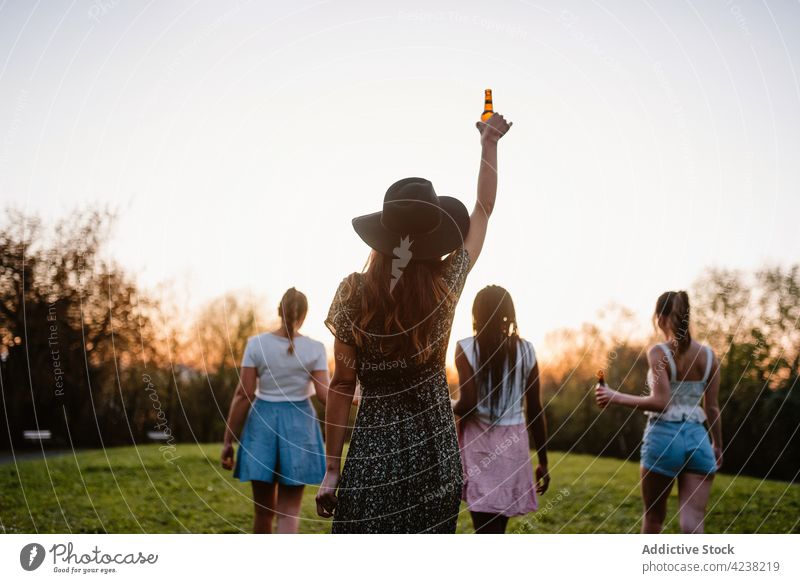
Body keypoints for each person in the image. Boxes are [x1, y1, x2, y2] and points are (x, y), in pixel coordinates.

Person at [315, 111, 513, 533]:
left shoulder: (354, 292)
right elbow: (483, 209)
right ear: (434, 235)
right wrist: (489, 144)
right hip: (433, 455)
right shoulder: (447, 284)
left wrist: (332, 470)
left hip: (372, 456)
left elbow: (342, 385)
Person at [595, 291, 722, 534]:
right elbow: (712, 406)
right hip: (699, 441)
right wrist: (717, 444)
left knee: (653, 519)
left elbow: (662, 402)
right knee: (693, 523)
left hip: (664, 438)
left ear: (659, 318)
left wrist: (614, 396)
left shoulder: (658, 352)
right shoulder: (709, 356)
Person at [221, 288, 329, 534]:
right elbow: (325, 396)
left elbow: (244, 393)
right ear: (305, 314)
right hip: (300, 425)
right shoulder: (316, 348)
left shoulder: (256, 344)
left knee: (263, 513)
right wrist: (357, 398)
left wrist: (228, 440)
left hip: (262, 424)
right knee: (289, 512)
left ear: (279, 311)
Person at [452, 285, 549, 533]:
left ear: (477, 314)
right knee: (496, 531)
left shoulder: (466, 347)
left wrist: (443, 403)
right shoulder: (526, 350)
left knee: (483, 528)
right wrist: (543, 461)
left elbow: (468, 405)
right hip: (513, 446)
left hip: (479, 446)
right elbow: (536, 408)